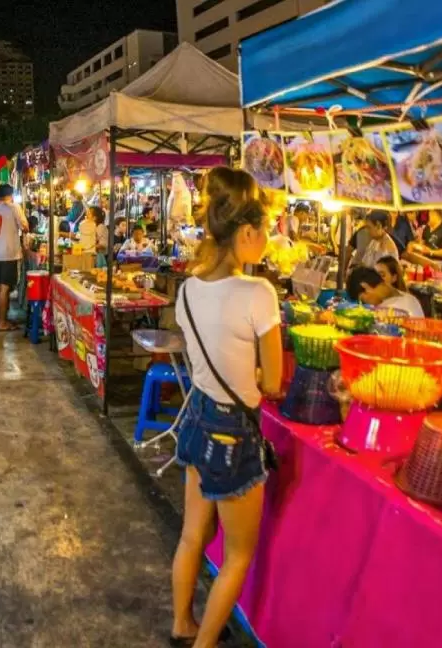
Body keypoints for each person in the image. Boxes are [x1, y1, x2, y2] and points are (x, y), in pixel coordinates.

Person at [170, 167, 281, 648]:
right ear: (247, 231)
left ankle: (182, 624)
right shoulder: (259, 293)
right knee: (238, 553)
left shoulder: (188, 289)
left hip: (196, 416)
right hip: (233, 432)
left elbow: (204, 356)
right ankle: (204, 642)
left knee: (193, 533)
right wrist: (253, 375)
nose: (269, 241)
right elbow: (272, 382)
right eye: (267, 232)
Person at [0, 183, 30, 331]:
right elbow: (25, 227)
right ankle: (2, 322)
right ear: (10, 195)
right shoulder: (14, 208)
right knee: (4, 288)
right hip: (9, 254)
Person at [347, 264, 424, 316]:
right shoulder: (409, 298)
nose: (365, 304)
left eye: (363, 300)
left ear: (366, 287)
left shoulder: (388, 311)